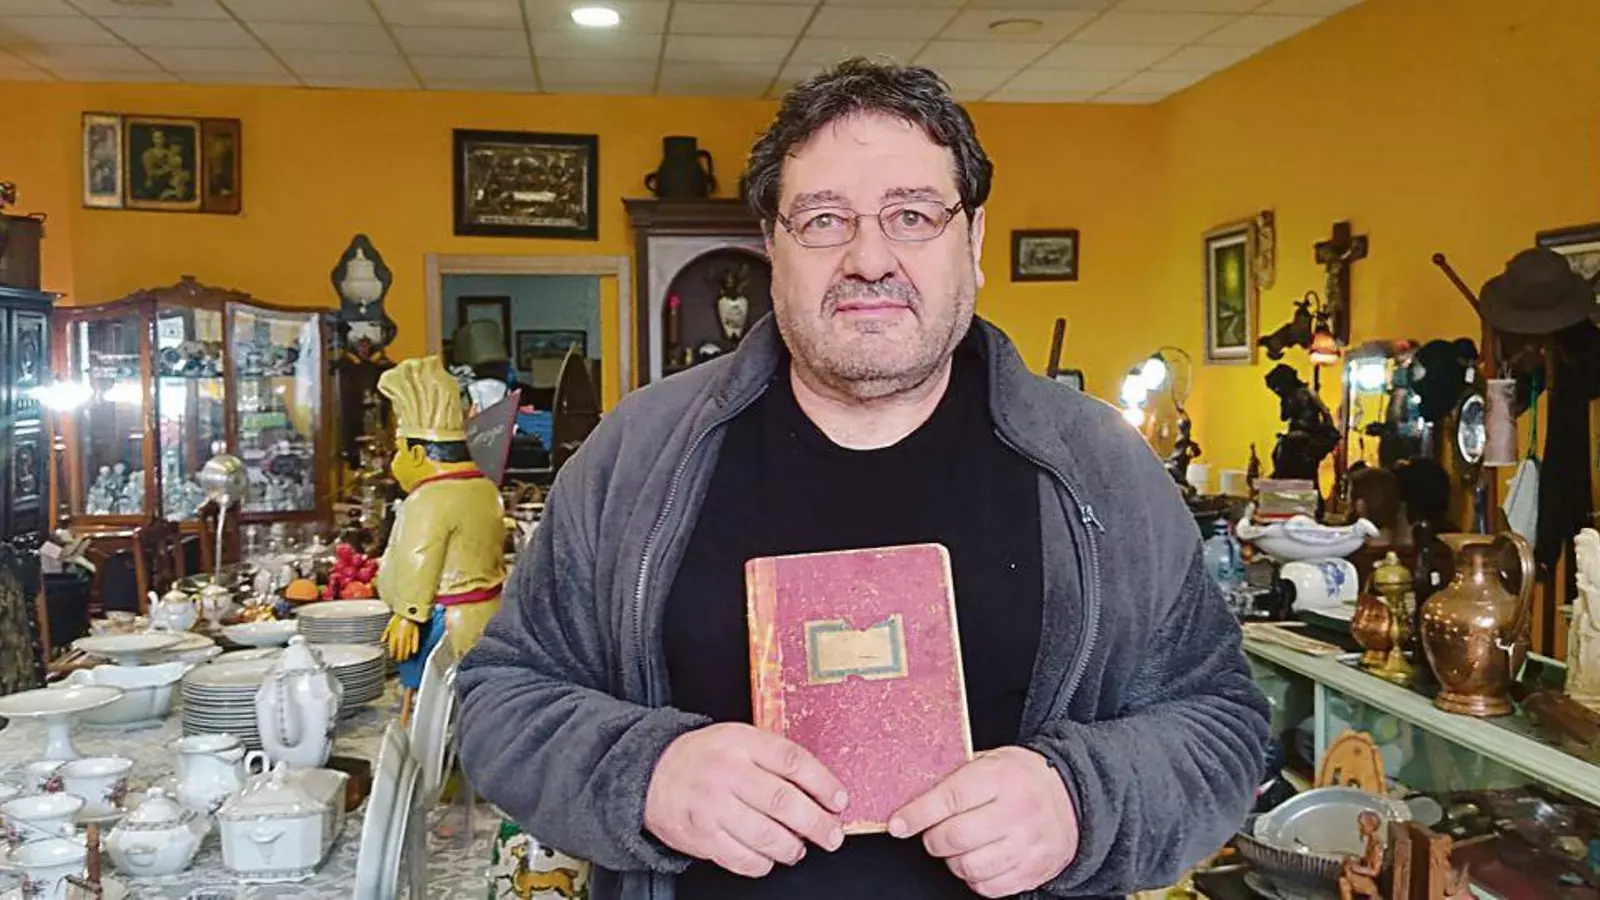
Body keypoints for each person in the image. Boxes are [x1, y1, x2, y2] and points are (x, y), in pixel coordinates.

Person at [455, 58, 1270, 900]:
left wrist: (1081, 801)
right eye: (824, 220)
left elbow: (1223, 726)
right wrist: (648, 775)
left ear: (973, 242)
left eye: (912, 215)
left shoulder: (1100, 466)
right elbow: (502, 697)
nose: (869, 258)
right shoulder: (638, 452)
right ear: (772, 245)